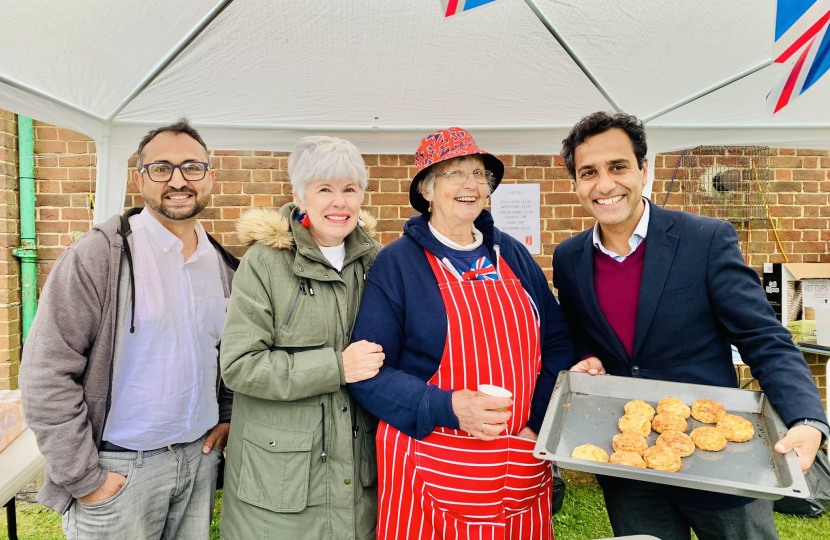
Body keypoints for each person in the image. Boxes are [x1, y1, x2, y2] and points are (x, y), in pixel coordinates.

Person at [553, 111, 830, 540]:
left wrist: (807, 418)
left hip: (719, 459)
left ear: (643, 170)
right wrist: (586, 355)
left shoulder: (705, 240)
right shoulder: (569, 258)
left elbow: (763, 337)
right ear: (576, 183)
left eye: (618, 166)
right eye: (589, 172)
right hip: (629, 466)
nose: (604, 184)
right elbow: (576, 331)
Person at [349, 127, 575, 539]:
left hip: (517, 458)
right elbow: (369, 375)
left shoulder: (511, 254)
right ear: (426, 190)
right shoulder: (398, 264)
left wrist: (536, 422)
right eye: (454, 173)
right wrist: (449, 407)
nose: (471, 184)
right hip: (430, 461)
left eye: (478, 173)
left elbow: (558, 342)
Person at [20, 119, 238, 539]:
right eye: (162, 168)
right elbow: (45, 372)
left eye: (192, 168)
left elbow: (228, 355)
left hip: (197, 462)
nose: (178, 181)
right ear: (140, 180)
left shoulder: (223, 266)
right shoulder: (98, 256)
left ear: (210, 177)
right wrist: (85, 478)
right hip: (118, 471)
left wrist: (227, 415)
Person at [218, 135, 382, 540]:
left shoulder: (375, 261)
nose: (339, 202)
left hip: (357, 476)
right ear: (299, 196)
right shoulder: (265, 262)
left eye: (349, 189)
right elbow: (239, 366)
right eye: (324, 189)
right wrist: (335, 367)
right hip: (281, 483)